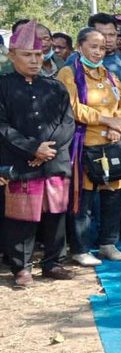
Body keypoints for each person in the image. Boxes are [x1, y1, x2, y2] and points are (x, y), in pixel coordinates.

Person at [0, 21, 76, 287]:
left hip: (55, 162)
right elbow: (2, 126)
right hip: (20, 162)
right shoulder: (3, 86)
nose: (34, 60)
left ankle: (54, 263)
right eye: (27, 55)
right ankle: (22, 268)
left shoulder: (55, 87)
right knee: (21, 218)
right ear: (12, 56)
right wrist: (33, 148)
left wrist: (47, 150)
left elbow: (68, 122)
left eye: (38, 55)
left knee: (56, 214)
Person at [57, 27, 121, 266]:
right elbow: (73, 107)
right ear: (80, 47)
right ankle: (80, 248)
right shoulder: (69, 74)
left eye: (102, 48)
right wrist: (105, 119)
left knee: (113, 196)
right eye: (93, 46)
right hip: (85, 145)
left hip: (111, 144)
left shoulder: (109, 75)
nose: (98, 52)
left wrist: (116, 126)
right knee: (84, 199)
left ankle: (108, 244)